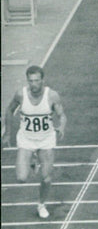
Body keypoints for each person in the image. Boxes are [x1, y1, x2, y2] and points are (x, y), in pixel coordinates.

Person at [1, 65, 66, 219]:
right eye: (30, 81)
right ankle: (32, 160)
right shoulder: (20, 95)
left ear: (42, 80)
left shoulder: (52, 96)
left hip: (46, 140)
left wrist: (62, 126)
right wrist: (8, 133)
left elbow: (62, 115)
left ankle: (41, 204)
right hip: (26, 139)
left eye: (36, 81)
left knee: (46, 177)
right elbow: (9, 110)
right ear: (27, 81)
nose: (33, 84)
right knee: (21, 178)